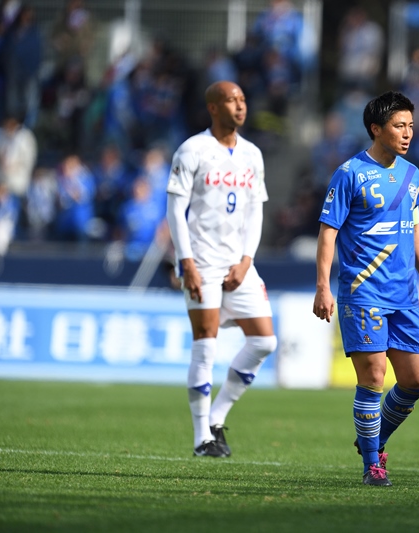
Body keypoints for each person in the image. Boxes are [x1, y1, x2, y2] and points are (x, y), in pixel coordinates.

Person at [313, 91, 419, 486]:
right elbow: (328, 233)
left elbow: (413, 228)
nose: (408, 133)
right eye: (399, 126)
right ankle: (373, 465)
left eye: (410, 126)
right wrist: (323, 286)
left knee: (415, 381)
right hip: (363, 291)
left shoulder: (412, 175)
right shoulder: (349, 173)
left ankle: (373, 438)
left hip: (404, 295)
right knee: (373, 377)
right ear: (376, 128)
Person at [166, 81, 277, 458]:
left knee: (264, 341)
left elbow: (256, 211)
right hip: (202, 261)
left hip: (239, 264)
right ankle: (202, 439)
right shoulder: (192, 149)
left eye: (243, 99)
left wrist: (246, 260)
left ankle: (216, 417)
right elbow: (175, 209)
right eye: (231, 100)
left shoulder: (252, 154)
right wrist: (186, 262)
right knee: (206, 344)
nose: (240, 106)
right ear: (213, 107)